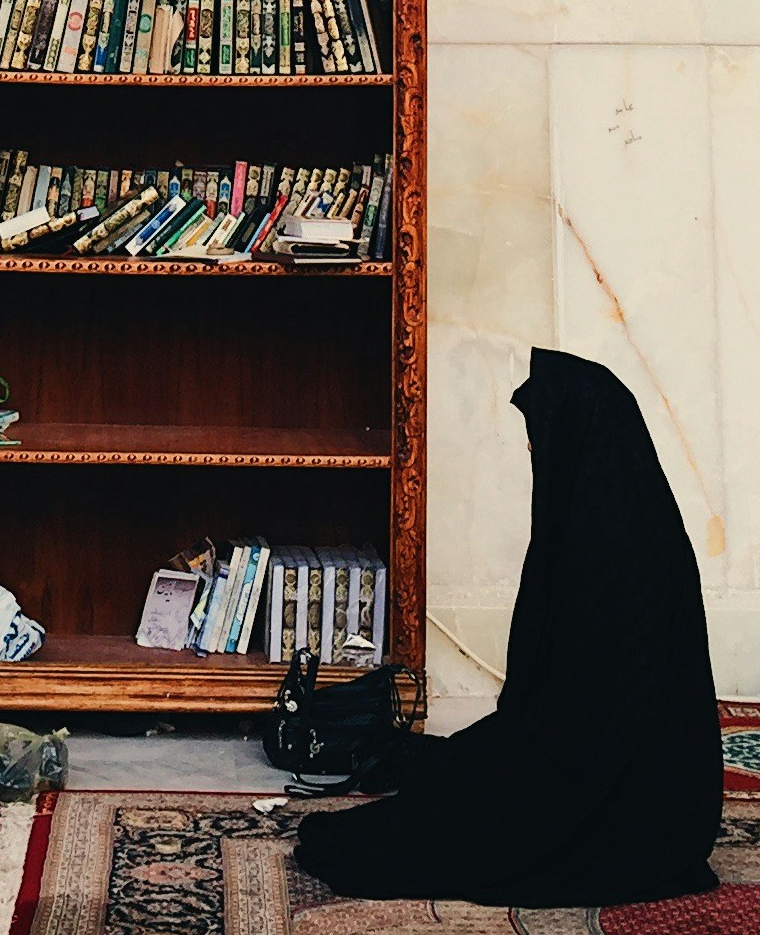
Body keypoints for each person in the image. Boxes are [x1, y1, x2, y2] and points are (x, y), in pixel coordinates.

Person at [291, 346, 720, 905]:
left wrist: (524, 759)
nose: (530, 446)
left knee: (453, 828)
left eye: (538, 433)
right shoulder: (606, 514)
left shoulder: (615, 546)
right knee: (460, 784)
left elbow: (596, 709)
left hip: (637, 797)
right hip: (644, 786)